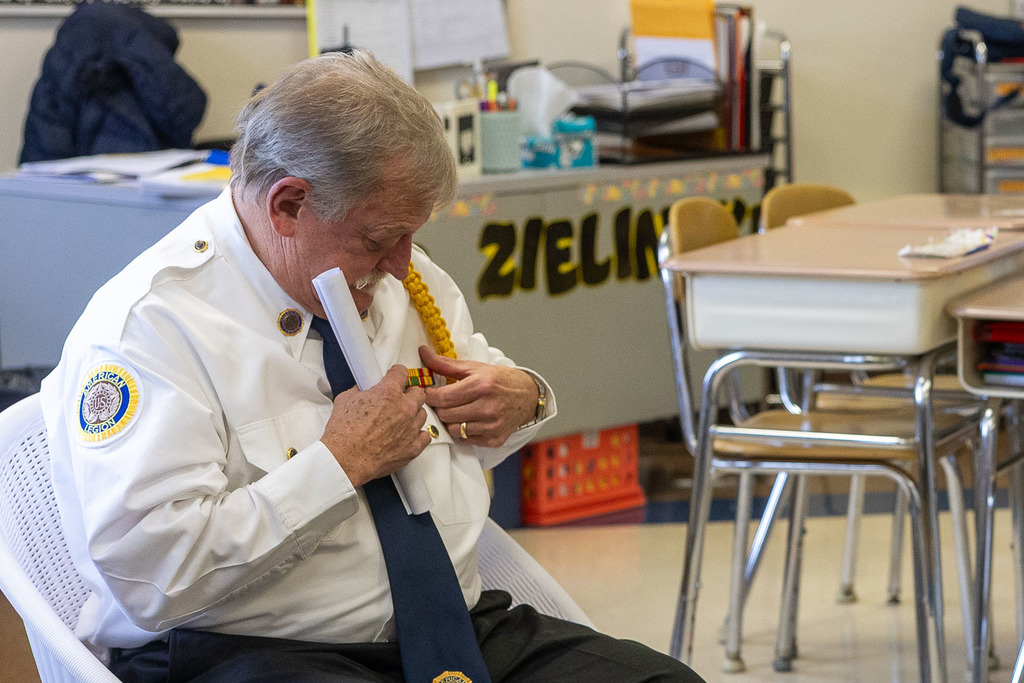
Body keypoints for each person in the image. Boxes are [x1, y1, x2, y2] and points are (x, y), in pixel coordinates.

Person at [40, 51, 705, 683]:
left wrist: (523, 398)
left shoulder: (399, 280)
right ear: (288, 205)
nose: (400, 263)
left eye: (410, 237)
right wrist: (337, 463)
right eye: (378, 237)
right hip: (251, 649)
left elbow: (480, 398)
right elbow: (154, 575)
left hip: (451, 627)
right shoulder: (152, 327)